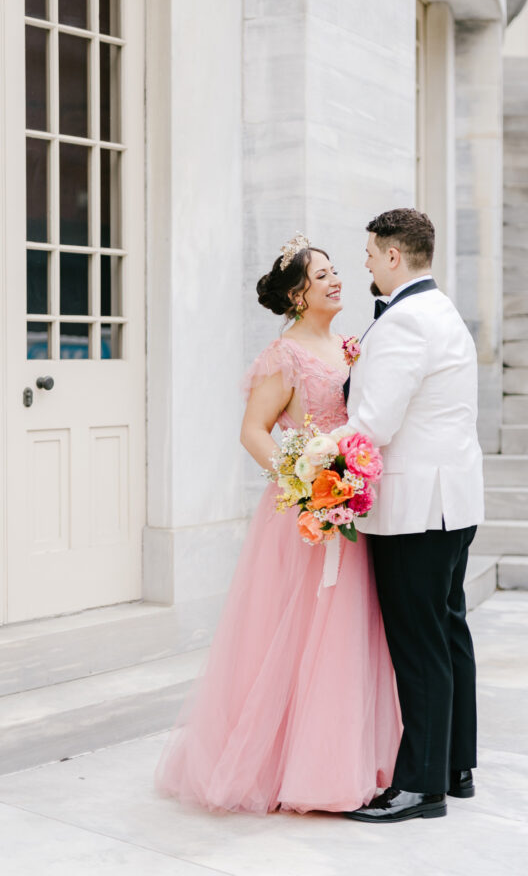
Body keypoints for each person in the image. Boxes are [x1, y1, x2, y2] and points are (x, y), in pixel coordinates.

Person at [154, 235, 401, 815]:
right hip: (304, 515)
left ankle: (350, 758)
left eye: (337, 270)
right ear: (297, 293)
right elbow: (254, 431)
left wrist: (346, 483)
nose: (337, 280)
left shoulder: (348, 345)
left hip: (352, 506)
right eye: (322, 275)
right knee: (296, 634)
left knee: (348, 635)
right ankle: (290, 767)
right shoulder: (283, 356)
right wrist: (306, 483)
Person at [344, 208, 484, 824]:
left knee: (419, 642)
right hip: (453, 501)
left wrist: (315, 460)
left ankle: (420, 787)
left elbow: (373, 425)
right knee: (448, 632)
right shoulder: (443, 310)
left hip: (415, 510)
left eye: (372, 254)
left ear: (394, 256)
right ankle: (455, 766)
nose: (367, 264)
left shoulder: (403, 323)